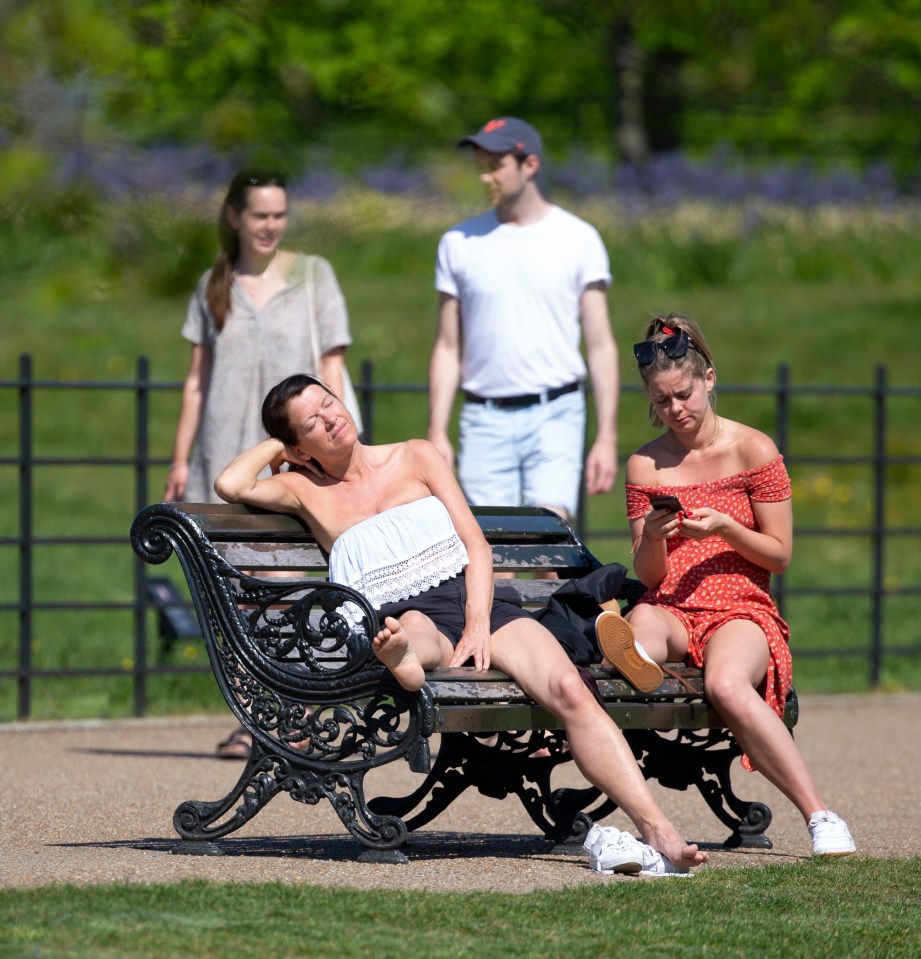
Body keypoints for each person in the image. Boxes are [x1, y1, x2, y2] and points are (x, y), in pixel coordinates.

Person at [214, 372, 709, 875]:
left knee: (569, 688)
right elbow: (230, 485)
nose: (331, 418)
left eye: (328, 402)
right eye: (313, 423)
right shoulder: (302, 488)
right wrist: (279, 442)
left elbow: (475, 544)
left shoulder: (415, 455)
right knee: (411, 631)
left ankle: (658, 831)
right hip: (398, 612)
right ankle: (406, 660)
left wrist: (477, 624)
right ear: (300, 450)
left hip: (473, 600)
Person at [597, 312, 856, 858]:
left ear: (708, 378)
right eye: (662, 401)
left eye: (684, 395)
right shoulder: (646, 464)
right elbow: (649, 576)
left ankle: (821, 816)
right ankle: (636, 662)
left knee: (726, 687)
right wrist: (653, 537)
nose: (676, 410)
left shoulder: (753, 450)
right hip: (671, 602)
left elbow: (780, 555)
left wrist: (726, 527)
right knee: (637, 630)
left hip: (739, 606)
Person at [163, 168, 357, 760]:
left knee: (286, 582)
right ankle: (256, 718)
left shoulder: (314, 275)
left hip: (292, 459)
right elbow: (197, 383)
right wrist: (178, 458)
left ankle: (297, 708)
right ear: (235, 217)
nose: (270, 225)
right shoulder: (212, 283)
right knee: (235, 594)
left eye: (279, 214)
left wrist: (343, 441)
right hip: (224, 453)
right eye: (259, 214)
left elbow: (334, 365)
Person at [427, 116, 619, 528]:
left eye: (495, 165)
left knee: (548, 542)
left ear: (528, 165)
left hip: (556, 411)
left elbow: (600, 344)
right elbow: (447, 346)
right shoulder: (458, 243)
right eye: (481, 165)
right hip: (483, 416)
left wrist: (607, 435)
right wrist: (436, 430)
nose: (485, 176)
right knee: (490, 550)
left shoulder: (578, 238)